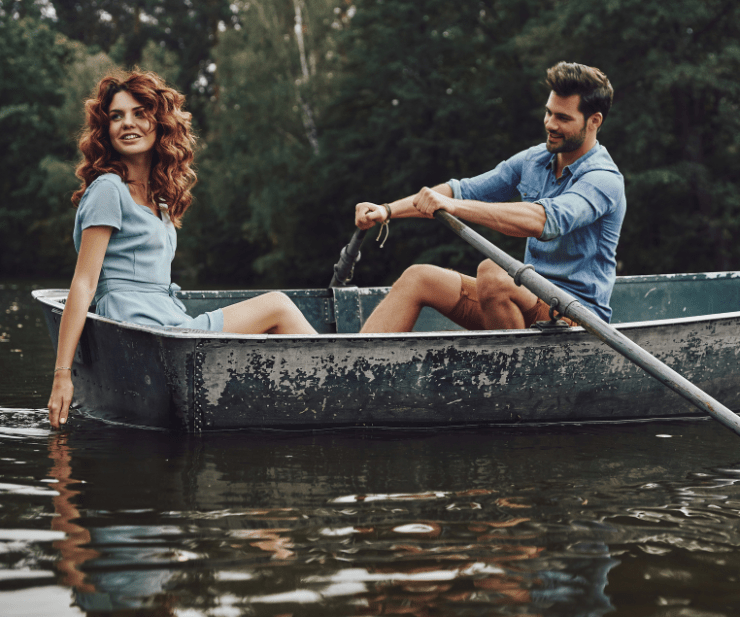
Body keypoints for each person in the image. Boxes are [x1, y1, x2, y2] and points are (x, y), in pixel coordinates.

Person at [48, 69, 316, 428]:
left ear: (160, 123)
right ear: (105, 129)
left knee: (272, 328)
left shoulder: (158, 199)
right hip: (145, 332)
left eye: (139, 113)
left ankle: (301, 404)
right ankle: (339, 385)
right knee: (278, 305)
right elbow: (84, 283)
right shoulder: (109, 189)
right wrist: (62, 374)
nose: (127, 123)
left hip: (172, 325)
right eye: (116, 116)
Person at [354, 61, 625, 333]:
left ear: (594, 121)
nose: (550, 124)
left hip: (578, 318)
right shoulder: (534, 159)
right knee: (418, 278)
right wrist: (387, 210)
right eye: (548, 113)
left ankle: (516, 363)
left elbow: (543, 221)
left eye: (563, 118)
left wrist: (455, 206)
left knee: (492, 275)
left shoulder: (603, 179)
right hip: (528, 299)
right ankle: (354, 361)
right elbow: (461, 190)